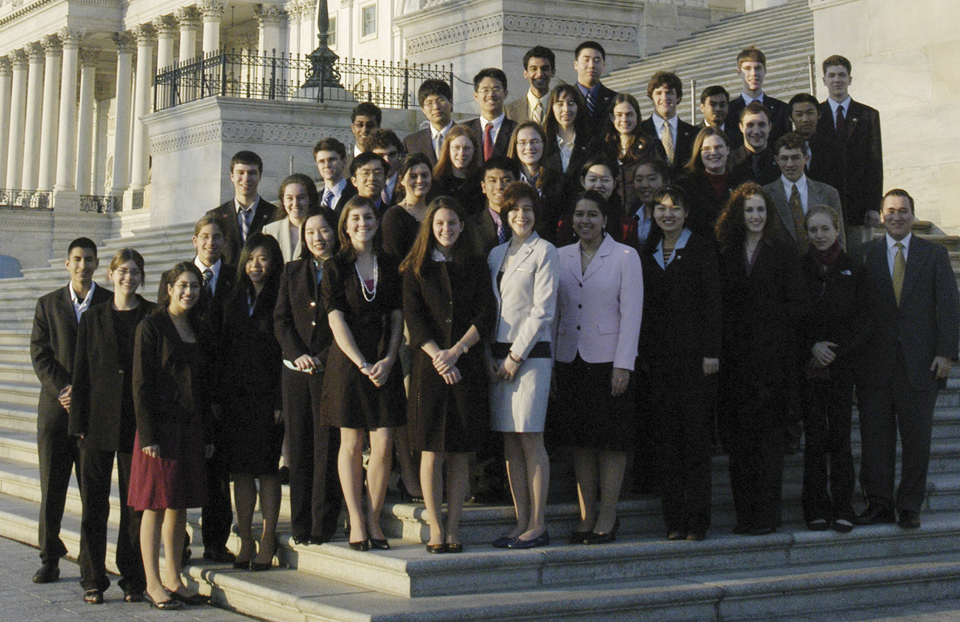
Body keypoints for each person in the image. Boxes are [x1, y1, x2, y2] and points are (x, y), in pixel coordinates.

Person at [855, 189, 960, 529]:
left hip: (921, 364)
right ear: (881, 216)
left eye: (903, 211)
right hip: (875, 364)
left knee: (918, 440)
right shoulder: (864, 255)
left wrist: (946, 353)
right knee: (874, 440)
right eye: (890, 211)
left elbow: (948, 306)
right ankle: (879, 503)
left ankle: (909, 505)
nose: (896, 216)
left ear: (913, 215)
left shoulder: (933, 254)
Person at [400, 197, 496, 553]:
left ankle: (454, 527)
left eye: (452, 223)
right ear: (430, 227)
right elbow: (414, 318)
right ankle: (436, 527)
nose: (446, 230)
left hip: (465, 365)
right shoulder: (416, 268)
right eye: (440, 224)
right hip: (429, 367)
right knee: (431, 450)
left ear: (462, 226)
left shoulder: (475, 264)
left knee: (459, 452)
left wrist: (456, 352)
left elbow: (486, 314)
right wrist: (438, 355)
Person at [715, 183, 807, 536]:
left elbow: (797, 305)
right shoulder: (726, 252)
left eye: (760, 211)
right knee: (740, 447)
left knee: (768, 448)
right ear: (738, 214)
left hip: (773, 364)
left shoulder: (783, 252)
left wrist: (775, 336)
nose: (755, 216)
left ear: (769, 216)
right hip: (735, 363)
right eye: (749, 210)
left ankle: (767, 518)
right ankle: (745, 517)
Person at [554, 191, 642, 545]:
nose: (585, 221)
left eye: (592, 214)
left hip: (608, 362)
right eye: (579, 214)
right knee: (581, 442)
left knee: (610, 442)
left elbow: (631, 314)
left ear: (605, 220)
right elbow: (554, 312)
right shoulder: (559, 256)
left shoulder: (625, 256)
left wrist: (624, 364)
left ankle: (608, 514)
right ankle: (586, 515)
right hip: (569, 360)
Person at [320, 196, 406, 551]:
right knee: (352, 443)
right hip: (349, 361)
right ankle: (355, 518)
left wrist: (388, 358)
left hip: (384, 357)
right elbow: (335, 318)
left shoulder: (389, 262)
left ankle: (373, 516)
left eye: (368, 217)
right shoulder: (335, 265)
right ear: (345, 224)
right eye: (354, 218)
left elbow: (398, 315)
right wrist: (361, 362)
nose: (362, 223)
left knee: (384, 442)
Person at [68, 249, 150, 603]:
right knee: (95, 504)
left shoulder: (151, 315)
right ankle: (92, 577)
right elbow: (81, 371)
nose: (128, 277)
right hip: (97, 421)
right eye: (122, 271)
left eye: (134, 272)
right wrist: (78, 422)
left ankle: (133, 578)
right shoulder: (93, 317)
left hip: (137, 421)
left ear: (141, 277)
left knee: (135, 506)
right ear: (110, 275)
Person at [129, 262, 212, 609]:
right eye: (182, 285)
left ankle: (173, 577)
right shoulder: (152, 325)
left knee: (178, 505)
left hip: (189, 428)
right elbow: (140, 383)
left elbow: (203, 385)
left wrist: (207, 432)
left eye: (194, 286)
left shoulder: (196, 325)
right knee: (154, 506)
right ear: (169, 288)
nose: (188, 292)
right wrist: (148, 434)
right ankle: (152, 582)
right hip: (159, 431)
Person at [639, 186, 721, 541]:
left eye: (675, 207)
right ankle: (674, 519)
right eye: (660, 208)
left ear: (686, 213)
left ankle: (698, 519)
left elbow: (714, 303)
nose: (667, 214)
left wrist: (711, 352)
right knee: (667, 443)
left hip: (696, 362)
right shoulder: (648, 253)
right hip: (660, 363)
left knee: (695, 442)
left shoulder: (701, 248)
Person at [30, 237, 112, 584]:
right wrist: (64, 388)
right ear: (67, 264)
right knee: (53, 489)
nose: (83, 265)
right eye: (77, 259)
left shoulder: (108, 303)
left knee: (93, 493)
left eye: (89, 259)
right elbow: (40, 353)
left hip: (94, 415)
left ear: (97, 264)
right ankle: (50, 556)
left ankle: (90, 566)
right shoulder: (48, 304)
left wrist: (88, 394)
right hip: (56, 412)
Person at [487, 182, 559, 550]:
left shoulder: (545, 251)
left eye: (528, 209)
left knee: (531, 439)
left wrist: (515, 357)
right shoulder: (496, 254)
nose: (521, 215)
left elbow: (542, 311)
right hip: (497, 359)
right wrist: (492, 357)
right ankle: (520, 521)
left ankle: (538, 522)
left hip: (530, 357)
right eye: (514, 209)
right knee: (510, 444)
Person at [274, 205, 343, 545]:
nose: (318, 238)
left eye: (324, 231)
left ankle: (323, 522)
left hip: (331, 369)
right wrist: (297, 354)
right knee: (300, 447)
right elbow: (281, 319)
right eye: (311, 232)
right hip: (297, 372)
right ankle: (301, 523)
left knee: (327, 446)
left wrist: (323, 356)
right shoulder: (291, 271)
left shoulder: (344, 269)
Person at [798, 206, 869, 533]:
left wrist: (835, 352)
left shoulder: (854, 268)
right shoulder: (798, 268)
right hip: (809, 366)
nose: (820, 235)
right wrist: (811, 347)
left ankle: (843, 506)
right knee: (814, 439)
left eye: (825, 229)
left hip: (842, 368)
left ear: (837, 229)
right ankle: (814, 507)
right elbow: (792, 316)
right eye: (814, 230)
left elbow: (864, 320)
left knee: (840, 437)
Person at [217, 234, 285, 571]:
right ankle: (245, 538)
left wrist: (280, 398)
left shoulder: (280, 297)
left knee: (267, 471)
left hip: (268, 395)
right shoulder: (233, 298)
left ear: (274, 263)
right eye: (251, 259)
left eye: (264, 259)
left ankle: (268, 537)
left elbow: (284, 349)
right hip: (236, 398)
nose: (256, 265)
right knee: (242, 473)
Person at [189, 215, 236, 564]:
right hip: (187, 391)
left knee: (219, 474)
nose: (211, 243)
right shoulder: (177, 278)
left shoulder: (235, 279)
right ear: (195, 241)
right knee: (183, 470)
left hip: (223, 392)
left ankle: (216, 541)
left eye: (217, 237)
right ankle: (178, 541)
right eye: (205, 237)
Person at [815, 55, 883, 252]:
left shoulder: (868, 115)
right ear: (824, 80)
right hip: (824, 204)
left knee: (859, 260)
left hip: (859, 206)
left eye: (842, 75)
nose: (837, 80)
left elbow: (875, 162)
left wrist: (873, 205)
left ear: (850, 79)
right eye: (832, 75)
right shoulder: (815, 115)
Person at [762, 132, 845, 253]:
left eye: (795, 157)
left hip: (820, 265)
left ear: (806, 158)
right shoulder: (765, 194)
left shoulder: (828, 193)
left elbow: (839, 238)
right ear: (777, 160)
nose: (790, 164)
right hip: (782, 267)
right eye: (784, 158)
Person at [204, 150, 281, 267]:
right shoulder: (216, 216)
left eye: (252, 173)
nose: (246, 179)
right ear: (232, 177)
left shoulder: (275, 214)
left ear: (260, 176)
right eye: (240, 173)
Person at [677, 127, 747, 240]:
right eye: (706, 149)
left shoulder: (741, 183)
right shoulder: (686, 186)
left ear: (728, 149)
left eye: (718, 147)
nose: (713, 153)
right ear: (699, 153)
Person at [603, 93, 666, 208]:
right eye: (619, 115)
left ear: (637, 116)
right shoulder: (604, 148)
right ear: (612, 117)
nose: (624, 119)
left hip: (643, 212)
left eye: (629, 115)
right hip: (612, 213)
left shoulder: (652, 145)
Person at [506, 121, 566, 240]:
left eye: (535, 142)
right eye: (522, 143)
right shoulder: (506, 181)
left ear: (543, 144)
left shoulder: (560, 182)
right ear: (515, 146)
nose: (529, 147)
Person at [725, 47, 791, 151]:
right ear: (738, 72)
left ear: (765, 71)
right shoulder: (728, 111)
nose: (754, 73)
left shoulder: (781, 109)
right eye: (747, 68)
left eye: (758, 68)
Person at [640, 71, 698, 175]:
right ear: (651, 98)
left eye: (669, 92)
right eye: (658, 93)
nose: (664, 98)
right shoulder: (640, 131)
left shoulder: (693, 133)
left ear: (678, 97)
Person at [787, 93, 843, 193]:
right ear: (791, 118)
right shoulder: (784, 147)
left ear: (819, 114)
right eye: (799, 114)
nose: (805, 119)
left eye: (810, 113)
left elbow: (840, 186)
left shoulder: (833, 146)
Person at [466, 155, 520, 258]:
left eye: (506, 180)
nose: (499, 186)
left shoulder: (526, 222)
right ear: (484, 187)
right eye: (493, 181)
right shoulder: (470, 226)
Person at [383, 153, 434, 261]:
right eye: (413, 176)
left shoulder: (436, 211)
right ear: (401, 180)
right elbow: (393, 260)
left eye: (425, 175)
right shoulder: (394, 216)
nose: (420, 181)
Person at [263, 173, 319, 262]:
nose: (295, 204)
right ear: (283, 200)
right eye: (290, 198)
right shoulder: (270, 231)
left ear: (310, 199)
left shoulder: (320, 229)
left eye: (301, 198)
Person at [466, 68, 517, 161]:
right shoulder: (465, 130)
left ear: (505, 94)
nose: (491, 95)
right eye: (485, 90)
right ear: (476, 96)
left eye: (496, 89)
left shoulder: (516, 130)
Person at [619, 156, 670, 250]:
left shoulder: (671, 215)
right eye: (639, 180)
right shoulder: (632, 212)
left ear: (665, 181)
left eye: (651, 179)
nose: (645, 185)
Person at [432, 125, 484, 215]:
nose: (461, 153)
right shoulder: (437, 180)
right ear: (448, 150)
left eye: (467, 148)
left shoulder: (481, 179)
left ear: (474, 150)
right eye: (456, 148)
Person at [542, 84, 591, 176]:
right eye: (560, 104)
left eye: (571, 104)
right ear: (552, 108)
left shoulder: (590, 141)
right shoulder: (543, 140)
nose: (566, 109)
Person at [573, 41, 617, 141]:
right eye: (586, 60)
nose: (591, 65)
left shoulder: (615, 99)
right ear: (576, 65)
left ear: (603, 66)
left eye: (597, 61)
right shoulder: (565, 99)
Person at [404, 80, 455, 167]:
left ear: (451, 103)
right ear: (423, 109)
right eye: (429, 103)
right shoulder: (411, 143)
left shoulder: (467, 135)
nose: (436, 107)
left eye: (441, 100)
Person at [729, 102, 780, 186]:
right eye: (750, 125)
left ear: (769, 127)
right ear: (741, 127)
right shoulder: (729, 162)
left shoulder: (780, 161)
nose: (756, 131)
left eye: (762, 125)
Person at [505, 46, 556, 125]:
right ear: (525, 73)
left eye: (544, 69)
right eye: (534, 69)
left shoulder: (563, 107)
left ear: (553, 72)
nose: (539, 74)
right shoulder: (508, 111)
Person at [314, 137, 358, 217]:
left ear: (344, 161)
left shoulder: (356, 195)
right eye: (321, 161)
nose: (327, 165)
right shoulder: (314, 200)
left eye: (332, 160)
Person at [367, 129, 405, 207]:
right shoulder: (358, 187)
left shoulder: (408, 185)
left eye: (392, 154)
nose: (387, 161)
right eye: (380, 156)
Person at [349, 152, 389, 217]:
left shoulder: (391, 215)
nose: (372, 178)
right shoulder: (345, 212)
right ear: (354, 181)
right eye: (365, 173)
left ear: (385, 179)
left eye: (378, 173)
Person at [345, 101, 382, 170]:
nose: (364, 130)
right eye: (360, 125)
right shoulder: (342, 165)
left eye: (370, 125)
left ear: (378, 128)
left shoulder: (385, 162)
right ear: (353, 128)